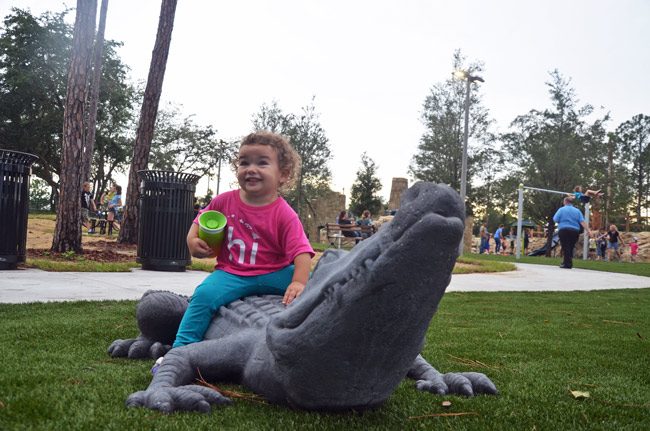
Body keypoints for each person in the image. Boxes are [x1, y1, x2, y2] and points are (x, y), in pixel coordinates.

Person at [172, 131, 314, 348]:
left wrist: (298, 282)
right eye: (244, 162)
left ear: (283, 174)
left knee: (315, 288)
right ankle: (181, 347)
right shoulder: (223, 201)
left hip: (273, 272)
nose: (251, 169)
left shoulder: (285, 214)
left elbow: (301, 252)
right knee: (204, 295)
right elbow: (198, 224)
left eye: (262, 163)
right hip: (231, 273)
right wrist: (192, 242)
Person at [553, 196, 590, 269]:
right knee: (570, 247)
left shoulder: (561, 209)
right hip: (575, 231)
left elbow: (555, 219)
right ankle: (565, 262)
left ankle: (568, 264)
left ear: (565, 202)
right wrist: (588, 230)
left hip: (564, 230)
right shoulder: (577, 211)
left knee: (565, 247)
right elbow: (582, 221)